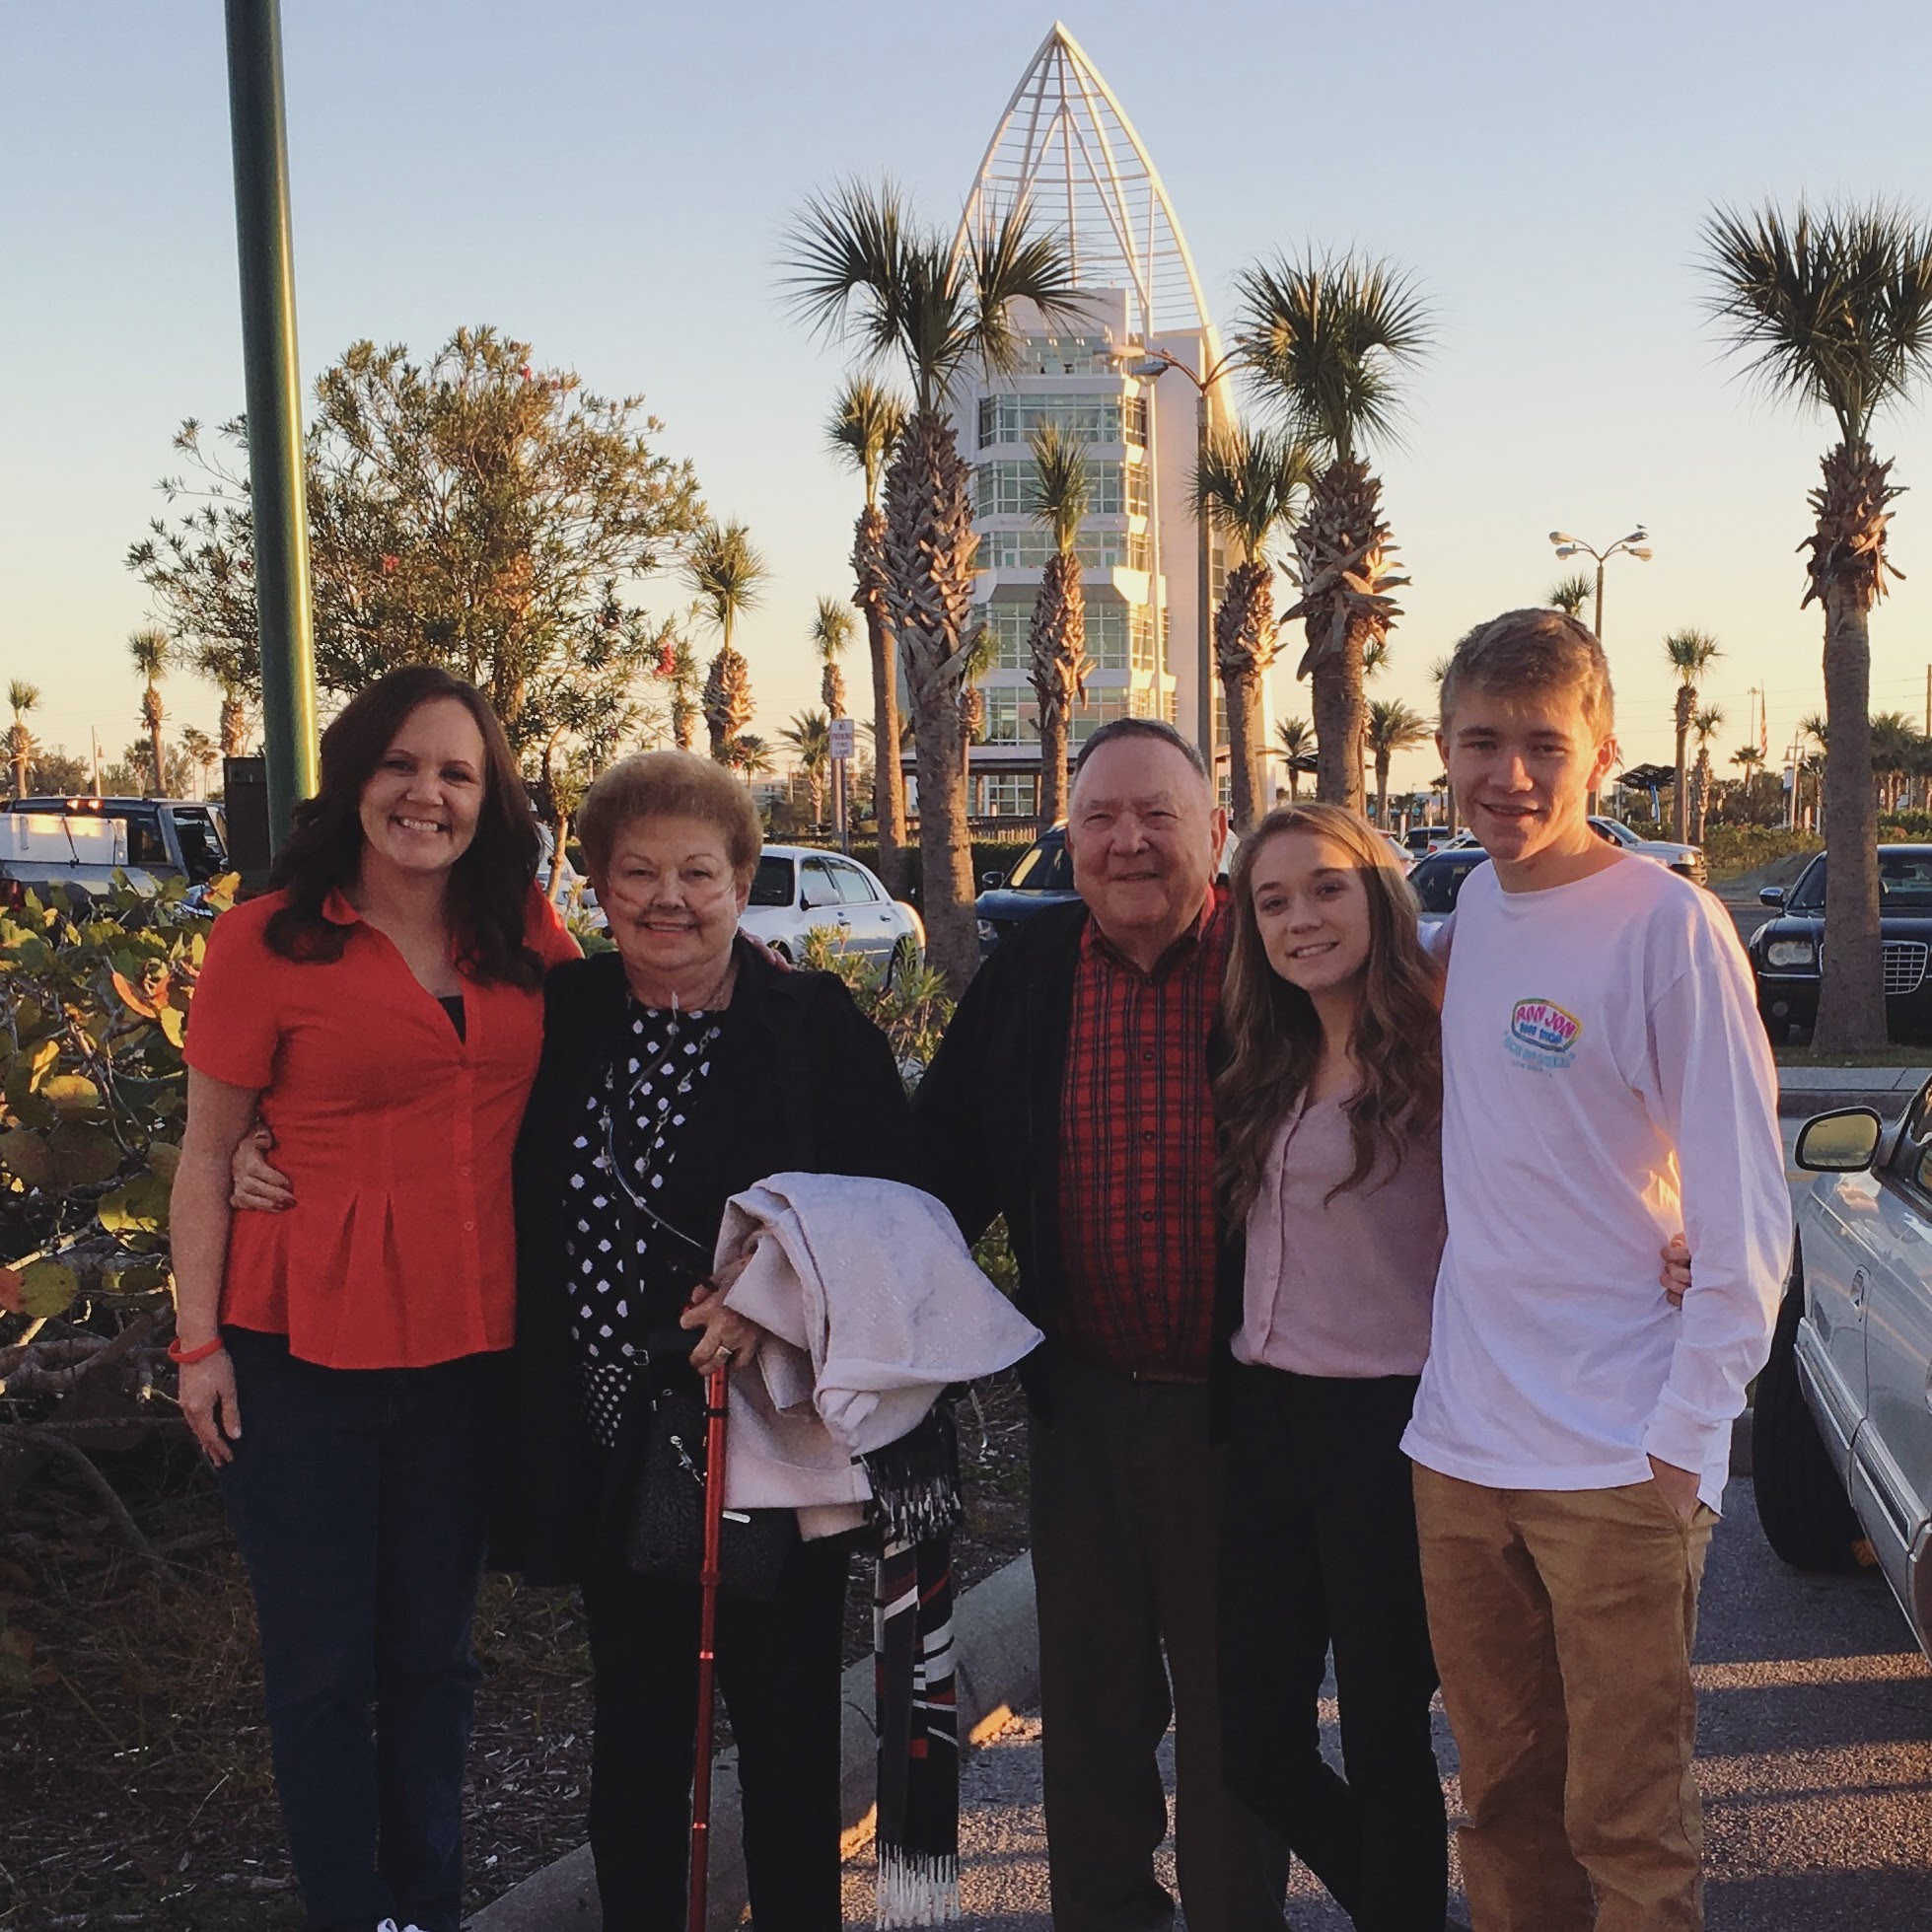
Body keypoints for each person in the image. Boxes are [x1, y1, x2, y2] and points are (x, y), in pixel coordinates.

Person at [171, 666, 580, 1932]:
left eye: (457, 773)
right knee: (322, 1671)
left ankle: (427, 1905)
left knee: (433, 1662)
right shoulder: (264, 941)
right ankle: (354, 1914)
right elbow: (205, 1152)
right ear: (355, 779)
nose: (426, 794)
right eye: (401, 765)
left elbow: (624, 1035)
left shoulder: (520, 929)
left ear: (488, 797)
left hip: (468, 1350)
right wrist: (197, 1346)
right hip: (295, 1354)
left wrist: (760, 985)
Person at [1400, 609, 1788, 1932]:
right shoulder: (1464, 919)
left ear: (1602, 754)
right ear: (1441, 746)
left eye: (1541, 744)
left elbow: (1745, 1210)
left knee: (1627, 1822)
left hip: (1618, 1455)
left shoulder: (1667, 928)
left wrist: (1685, 1437)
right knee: (1502, 1803)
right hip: (1460, 1450)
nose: (1506, 775)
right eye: (1479, 741)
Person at [504, 749, 917, 1932]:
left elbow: (896, 1208)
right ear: (597, 886)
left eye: (698, 872)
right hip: (608, 1441)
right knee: (637, 1742)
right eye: (637, 873)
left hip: (767, 1439)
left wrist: (770, 1290)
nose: (668, 899)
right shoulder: (565, 1015)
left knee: (786, 1736)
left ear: (742, 883)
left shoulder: (809, 1027)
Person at [915, 717, 1287, 1932]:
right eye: (1100, 819)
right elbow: (936, 1172)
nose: (1129, 842)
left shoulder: (1279, 967)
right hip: (1081, 1411)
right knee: (1090, 1716)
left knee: (1238, 1723)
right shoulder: (1030, 976)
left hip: (1243, 1419)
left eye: (1157, 816)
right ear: (1069, 840)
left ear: (1216, 834)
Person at [1212, 803, 1452, 1932]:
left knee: (1386, 1735)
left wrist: (1671, 1229)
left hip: (1388, 1432)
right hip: (1264, 1424)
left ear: (1378, 896)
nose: (1299, 918)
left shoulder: (1441, 1055)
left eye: (1325, 888)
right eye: (1272, 902)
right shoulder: (1267, 1057)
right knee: (1253, 1743)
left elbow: (1571, 1147)